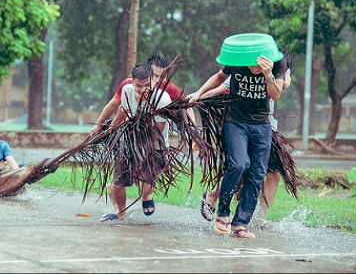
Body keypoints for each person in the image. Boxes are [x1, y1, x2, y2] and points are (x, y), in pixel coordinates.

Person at [187, 35, 287, 239]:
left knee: (257, 173)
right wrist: (198, 93)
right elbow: (218, 77)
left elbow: (275, 94)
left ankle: (240, 224)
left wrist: (268, 73)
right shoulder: (237, 62)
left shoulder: (277, 62)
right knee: (240, 164)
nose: (254, 68)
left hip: (262, 125)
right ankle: (222, 213)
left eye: (258, 64)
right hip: (236, 122)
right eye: (251, 64)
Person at [101, 64, 172, 221]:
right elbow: (121, 110)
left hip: (154, 146)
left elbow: (158, 130)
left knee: (146, 186)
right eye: (138, 86)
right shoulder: (127, 90)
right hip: (129, 142)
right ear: (131, 81)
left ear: (153, 81)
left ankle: (147, 195)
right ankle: (120, 210)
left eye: (147, 85)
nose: (142, 89)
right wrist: (110, 128)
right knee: (119, 183)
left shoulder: (162, 99)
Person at [90, 55, 192, 136]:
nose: (158, 80)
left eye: (163, 76)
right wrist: (99, 125)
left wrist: (191, 130)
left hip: (154, 135)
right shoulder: (128, 85)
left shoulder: (168, 89)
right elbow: (114, 105)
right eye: (155, 76)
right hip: (128, 130)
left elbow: (187, 106)